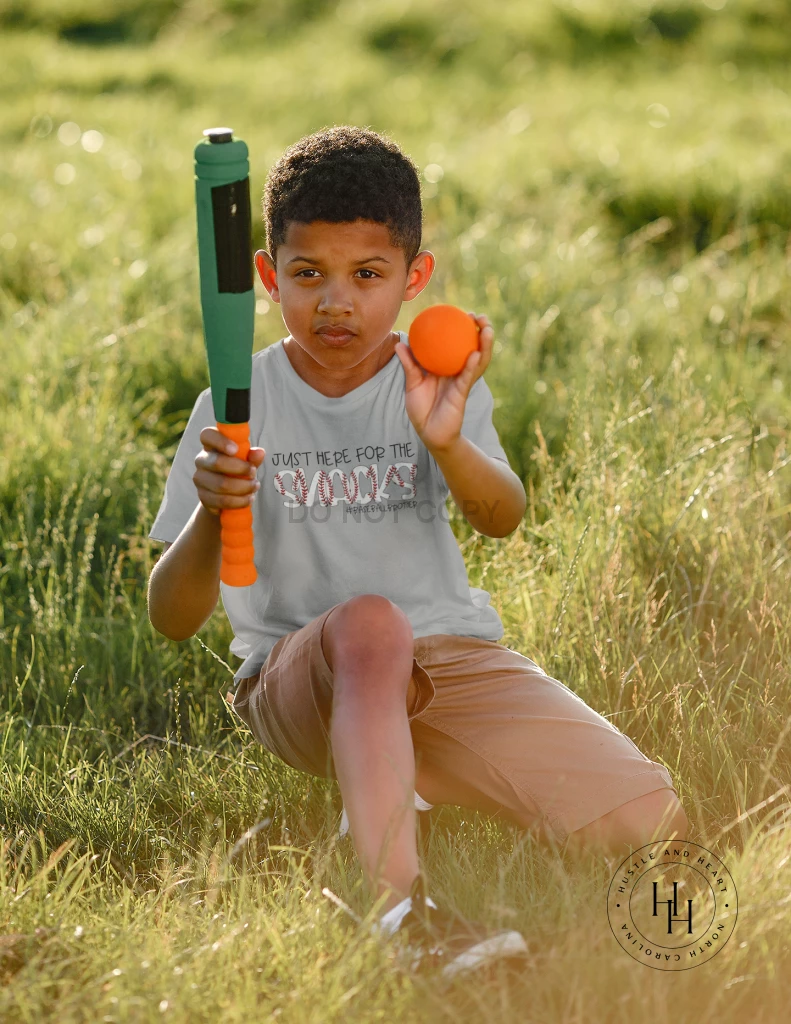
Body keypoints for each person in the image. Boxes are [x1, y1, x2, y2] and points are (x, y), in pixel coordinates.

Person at [146, 125, 687, 976]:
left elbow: (501, 516)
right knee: (368, 625)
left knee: (648, 819)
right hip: (305, 682)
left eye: (367, 276)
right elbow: (173, 617)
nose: (335, 303)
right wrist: (213, 512)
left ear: (413, 279)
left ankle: (395, 786)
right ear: (265, 276)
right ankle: (400, 907)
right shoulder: (233, 402)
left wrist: (446, 443)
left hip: (447, 659)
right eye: (307, 275)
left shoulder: (429, 386)